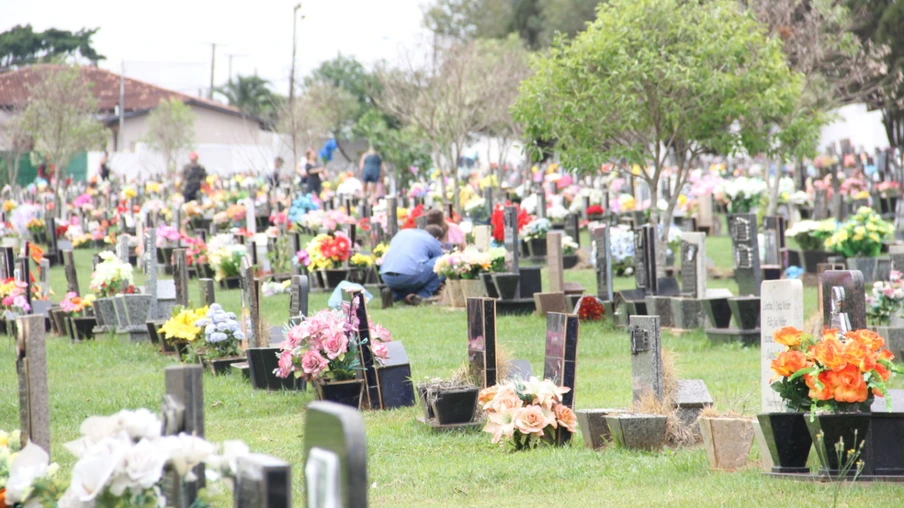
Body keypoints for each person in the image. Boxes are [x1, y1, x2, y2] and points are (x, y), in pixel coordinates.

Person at [380, 224, 445, 305]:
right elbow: (437, 267)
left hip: (386, 276)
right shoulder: (432, 240)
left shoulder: (401, 233)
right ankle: (422, 296)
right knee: (444, 262)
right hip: (410, 276)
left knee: (412, 271)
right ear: (437, 238)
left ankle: (396, 295)